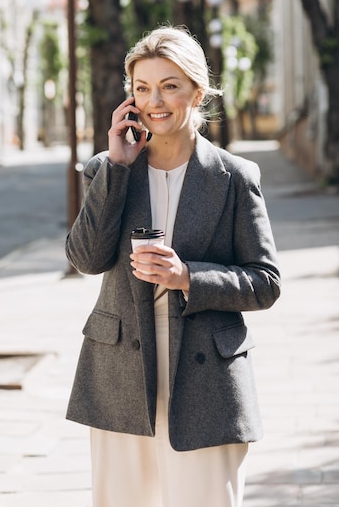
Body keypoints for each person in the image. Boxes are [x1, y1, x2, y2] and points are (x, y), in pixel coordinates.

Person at [65, 25, 281, 507]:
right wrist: (117, 169)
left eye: (169, 86)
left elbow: (265, 283)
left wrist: (188, 277)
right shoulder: (108, 168)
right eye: (141, 88)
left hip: (206, 376)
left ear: (197, 92)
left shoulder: (235, 178)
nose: (153, 101)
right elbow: (85, 258)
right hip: (120, 369)